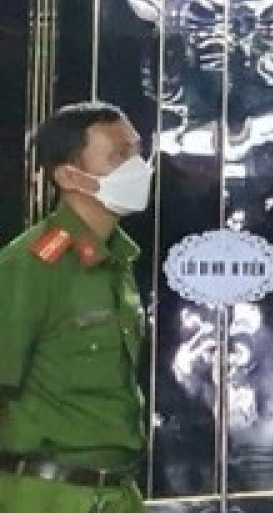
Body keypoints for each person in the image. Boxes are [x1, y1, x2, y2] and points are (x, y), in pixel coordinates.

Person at [0, 101, 152, 513]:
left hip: (117, 491)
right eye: (118, 155)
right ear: (69, 176)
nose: (137, 167)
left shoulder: (119, 259)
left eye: (137, 151)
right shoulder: (31, 265)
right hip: (47, 494)